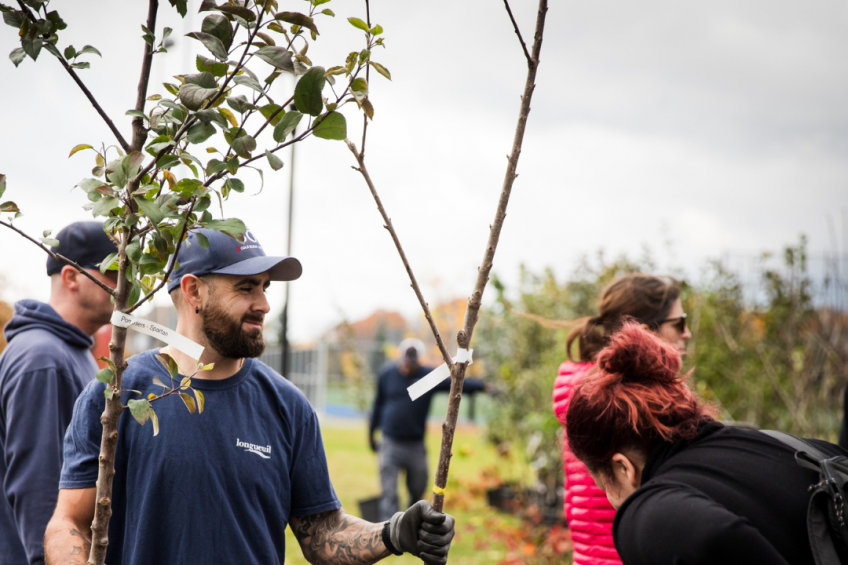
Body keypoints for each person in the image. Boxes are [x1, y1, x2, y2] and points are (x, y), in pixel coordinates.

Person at [45, 227, 456, 565]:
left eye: (264, 288)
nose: (263, 304)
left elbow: (322, 533)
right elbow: (70, 522)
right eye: (246, 288)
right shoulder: (118, 394)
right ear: (193, 292)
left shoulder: (288, 407)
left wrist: (393, 532)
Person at [565, 321, 847, 565]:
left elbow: (713, 535)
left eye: (604, 487)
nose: (611, 501)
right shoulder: (781, 445)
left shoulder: (649, 510)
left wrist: (636, 517)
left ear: (623, 468)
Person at [552, 274, 690, 565]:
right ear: (642, 331)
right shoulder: (629, 402)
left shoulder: (583, 391)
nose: (686, 333)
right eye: (679, 322)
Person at [0, 221, 116, 565]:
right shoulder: (42, 358)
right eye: (111, 274)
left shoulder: (75, 351)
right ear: (71, 277)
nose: (125, 286)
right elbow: (39, 489)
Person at [369, 338, 487, 520]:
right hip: (390, 442)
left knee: (418, 487)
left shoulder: (427, 378)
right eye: (406, 363)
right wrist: (371, 434)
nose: (408, 367)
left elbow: (456, 383)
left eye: (412, 363)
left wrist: (483, 386)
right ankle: (388, 531)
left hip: (415, 445)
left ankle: (408, 522)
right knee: (389, 492)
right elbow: (377, 405)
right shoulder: (387, 374)